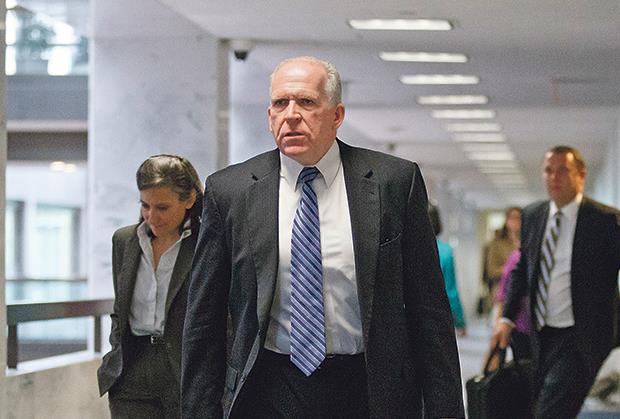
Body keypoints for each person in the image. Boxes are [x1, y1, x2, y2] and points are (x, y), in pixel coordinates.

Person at [181, 56, 464, 419]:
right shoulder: (230, 191)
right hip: (268, 387)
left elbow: (430, 312)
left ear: (337, 115)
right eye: (280, 103)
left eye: (306, 102)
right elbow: (204, 319)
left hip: (367, 387)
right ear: (269, 116)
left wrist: (445, 409)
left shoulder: (393, 182)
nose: (291, 115)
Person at [491, 145, 620, 418]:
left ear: (580, 175)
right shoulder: (533, 215)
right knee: (542, 405)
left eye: (563, 171)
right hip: (539, 333)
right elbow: (522, 270)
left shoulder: (606, 220)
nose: (554, 177)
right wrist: (507, 318)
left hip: (582, 336)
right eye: (548, 171)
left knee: (551, 409)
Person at [97, 155, 204, 418]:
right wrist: (116, 350)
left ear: (189, 199)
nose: (151, 217)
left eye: (162, 207)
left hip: (184, 371)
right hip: (131, 370)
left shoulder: (206, 244)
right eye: (145, 205)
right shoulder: (124, 240)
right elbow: (120, 308)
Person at [427, 203, 467, 336]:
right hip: (434, 318)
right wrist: (460, 322)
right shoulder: (444, 252)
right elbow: (451, 292)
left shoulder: (401, 249)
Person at [485, 207, 521, 301]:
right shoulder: (497, 243)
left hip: (521, 291)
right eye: (512, 217)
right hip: (501, 290)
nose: (515, 221)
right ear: (506, 220)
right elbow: (492, 270)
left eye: (518, 218)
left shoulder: (527, 242)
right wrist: (509, 270)